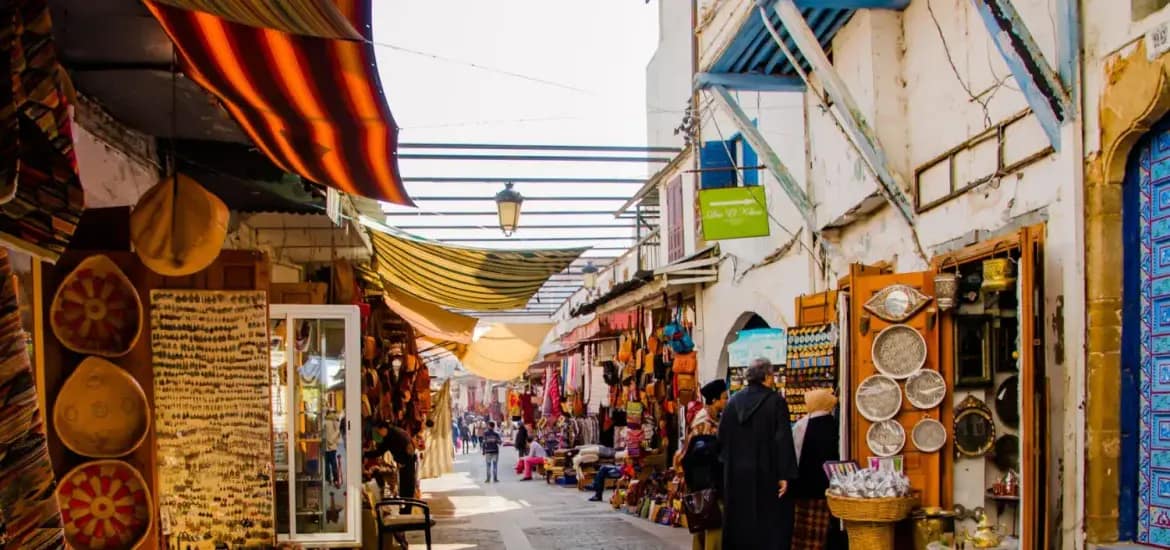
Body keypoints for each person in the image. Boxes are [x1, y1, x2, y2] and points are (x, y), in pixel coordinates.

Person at [718, 358, 798, 550]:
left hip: (737, 475)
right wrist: (785, 474)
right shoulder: (776, 402)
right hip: (766, 473)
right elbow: (783, 439)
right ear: (767, 377)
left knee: (740, 522)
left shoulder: (732, 403)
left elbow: (722, 439)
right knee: (768, 525)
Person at [790, 388, 843, 550]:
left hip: (806, 485)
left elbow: (795, 454)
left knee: (806, 533)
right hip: (831, 484)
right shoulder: (836, 424)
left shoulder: (802, 425)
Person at [680, 379, 728, 550]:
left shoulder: (710, 420)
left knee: (702, 526)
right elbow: (701, 458)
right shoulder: (704, 425)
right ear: (714, 400)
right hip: (707, 487)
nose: (727, 401)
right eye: (724, 397)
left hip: (702, 487)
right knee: (713, 528)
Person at [363, 421, 418, 499]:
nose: (379, 434)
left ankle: (408, 504)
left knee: (408, 486)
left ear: (383, 428)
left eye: (379, 431)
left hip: (408, 461)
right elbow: (379, 451)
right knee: (403, 486)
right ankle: (404, 503)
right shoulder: (387, 438)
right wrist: (365, 454)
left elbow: (409, 448)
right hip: (402, 463)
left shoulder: (397, 433)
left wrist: (404, 461)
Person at [323, 410, 342, 488]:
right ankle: (330, 479)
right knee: (328, 463)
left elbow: (337, 431)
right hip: (327, 445)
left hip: (330, 445)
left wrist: (332, 439)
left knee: (332, 463)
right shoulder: (329, 420)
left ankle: (334, 479)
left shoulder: (333, 420)